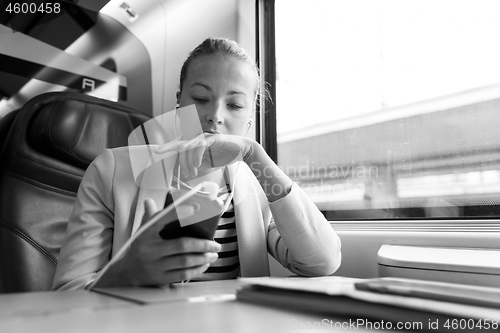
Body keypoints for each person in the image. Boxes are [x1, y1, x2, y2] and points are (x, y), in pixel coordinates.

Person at [52, 37, 341, 290]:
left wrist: (256, 155)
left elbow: (322, 262)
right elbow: (67, 293)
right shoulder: (111, 171)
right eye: (202, 98)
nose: (215, 115)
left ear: (249, 120)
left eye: (235, 105)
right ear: (179, 104)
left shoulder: (256, 182)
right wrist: (125, 274)